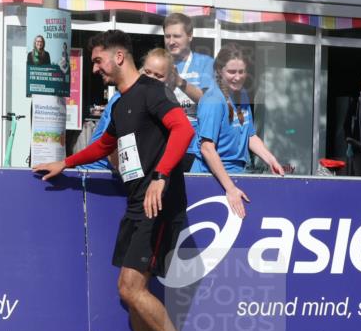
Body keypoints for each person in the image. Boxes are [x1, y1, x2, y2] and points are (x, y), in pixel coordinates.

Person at [34, 30, 200, 331]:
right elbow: (106, 144)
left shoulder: (152, 92)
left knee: (131, 287)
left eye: (97, 60)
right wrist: (66, 162)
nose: (95, 68)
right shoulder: (124, 102)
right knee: (128, 289)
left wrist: (160, 176)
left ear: (119, 57)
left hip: (156, 203)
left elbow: (183, 130)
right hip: (136, 202)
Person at [192, 43, 284, 217]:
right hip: (211, 180)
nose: (237, 77)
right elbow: (207, 148)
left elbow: (250, 136)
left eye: (241, 72)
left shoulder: (241, 95)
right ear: (219, 70)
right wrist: (230, 189)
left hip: (235, 176)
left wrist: (270, 160)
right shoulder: (213, 100)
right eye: (231, 72)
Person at [79, 49, 176, 171]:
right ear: (141, 70)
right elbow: (112, 149)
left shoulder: (160, 100)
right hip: (100, 173)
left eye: (158, 76)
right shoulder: (123, 97)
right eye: (148, 72)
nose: (152, 78)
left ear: (169, 78)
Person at [163, 12, 215, 168]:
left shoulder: (205, 63)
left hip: (194, 147)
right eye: (167, 36)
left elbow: (208, 100)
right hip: (165, 144)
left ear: (190, 36)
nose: (171, 41)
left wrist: (179, 82)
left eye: (176, 36)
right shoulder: (158, 64)